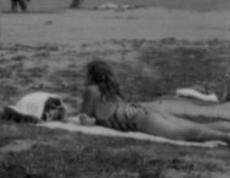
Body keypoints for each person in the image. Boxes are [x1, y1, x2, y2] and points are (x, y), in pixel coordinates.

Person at [79, 60, 230, 144]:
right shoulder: (111, 92)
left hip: (141, 119)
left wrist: (89, 121)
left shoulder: (91, 90)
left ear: (91, 76)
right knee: (195, 125)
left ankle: (226, 138)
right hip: (143, 111)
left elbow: (84, 117)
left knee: (181, 135)